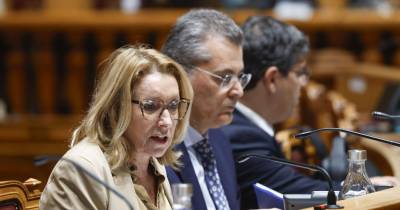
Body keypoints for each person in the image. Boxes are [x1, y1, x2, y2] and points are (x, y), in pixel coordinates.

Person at [221, 16, 400, 210]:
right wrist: (373, 189)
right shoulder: (240, 135)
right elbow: (291, 192)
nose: (304, 83)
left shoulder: (243, 127)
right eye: (299, 73)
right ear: (272, 79)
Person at [39, 45, 193, 210]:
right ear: (117, 108)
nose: (167, 122)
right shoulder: (82, 170)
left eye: (173, 105)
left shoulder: (156, 166)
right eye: (151, 106)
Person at [161, 9, 251, 210]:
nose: (238, 92)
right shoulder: (157, 149)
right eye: (225, 78)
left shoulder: (219, 142)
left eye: (240, 77)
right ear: (179, 74)